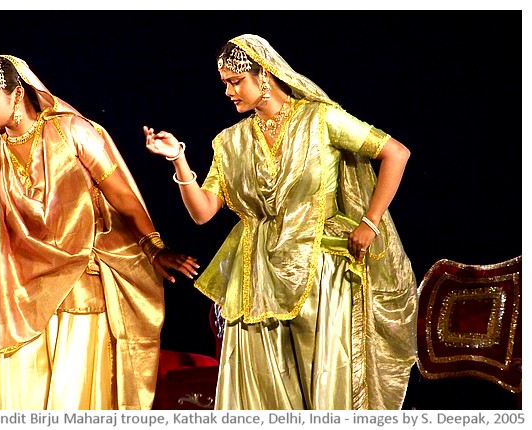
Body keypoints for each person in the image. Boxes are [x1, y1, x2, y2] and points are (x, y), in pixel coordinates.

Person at [144, 34, 417, 410]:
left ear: (265, 76)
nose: (227, 91)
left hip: (320, 272)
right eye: (224, 82)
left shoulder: (319, 120)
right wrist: (178, 160)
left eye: (235, 81)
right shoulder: (230, 142)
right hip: (254, 279)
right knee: (260, 397)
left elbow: (396, 153)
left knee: (324, 389)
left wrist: (370, 222)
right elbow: (203, 212)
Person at [0, 55, 199, 410]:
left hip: (79, 293)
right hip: (19, 301)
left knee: (74, 405)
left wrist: (154, 247)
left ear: (16, 93)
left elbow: (124, 199)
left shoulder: (73, 133)